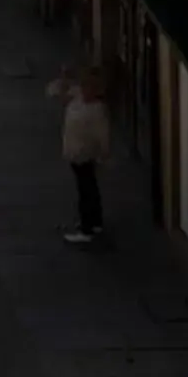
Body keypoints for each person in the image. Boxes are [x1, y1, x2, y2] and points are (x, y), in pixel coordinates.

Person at [51, 62, 113, 244]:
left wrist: (104, 155)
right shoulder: (78, 96)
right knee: (89, 187)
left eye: (91, 87)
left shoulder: (97, 110)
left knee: (85, 190)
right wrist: (64, 77)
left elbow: (104, 136)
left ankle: (87, 229)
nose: (86, 90)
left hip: (84, 154)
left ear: (98, 90)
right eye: (85, 85)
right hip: (73, 152)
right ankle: (95, 222)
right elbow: (58, 93)